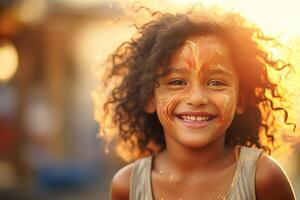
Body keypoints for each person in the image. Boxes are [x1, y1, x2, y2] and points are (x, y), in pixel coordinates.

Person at [95, 6, 297, 200]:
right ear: (150, 98)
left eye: (216, 82)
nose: (197, 98)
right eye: (177, 82)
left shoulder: (263, 178)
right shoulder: (127, 185)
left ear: (240, 99)